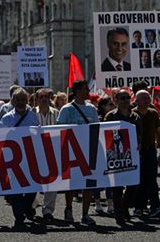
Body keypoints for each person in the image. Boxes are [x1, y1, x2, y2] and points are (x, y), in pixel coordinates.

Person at [57, 80, 98, 225]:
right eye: (86, 89)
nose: (88, 91)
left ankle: (85, 214)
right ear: (77, 91)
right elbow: (60, 130)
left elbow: (96, 129)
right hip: (72, 151)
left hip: (89, 150)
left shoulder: (92, 109)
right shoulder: (66, 109)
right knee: (71, 183)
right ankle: (68, 209)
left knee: (89, 183)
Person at [0, 88, 40, 227]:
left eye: (23, 99)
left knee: (32, 185)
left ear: (27, 100)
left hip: (30, 156)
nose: (21, 102)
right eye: (18, 100)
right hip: (14, 158)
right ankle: (19, 216)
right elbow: (0, 137)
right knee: (16, 189)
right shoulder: (7, 118)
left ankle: (26, 207)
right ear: (13, 101)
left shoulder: (33, 116)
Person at [104, 90, 142, 226]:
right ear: (116, 100)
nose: (126, 100)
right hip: (116, 155)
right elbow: (105, 136)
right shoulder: (110, 116)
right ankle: (119, 214)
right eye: (122, 98)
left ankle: (124, 207)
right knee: (117, 187)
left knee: (134, 184)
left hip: (133, 155)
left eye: (127, 98)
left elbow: (139, 135)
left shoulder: (136, 117)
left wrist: (139, 144)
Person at [133, 90, 160, 219]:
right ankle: (138, 207)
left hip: (150, 150)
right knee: (138, 181)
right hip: (137, 152)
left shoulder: (153, 113)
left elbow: (159, 133)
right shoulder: (132, 114)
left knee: (152, 180)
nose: (147, 100)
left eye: (148, 98)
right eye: (144, 98)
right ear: (136, 101)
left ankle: (155, 207)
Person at [33, 88, 60, 220]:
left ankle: (48, 211)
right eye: (41, 97)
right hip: (35, 152)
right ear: (37, 99)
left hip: (53, 152)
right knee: (34, 181)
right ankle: (32, 206)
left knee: (52, 182)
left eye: (46, 96)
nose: (44, 99)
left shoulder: (56, 113)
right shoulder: (31, 114)